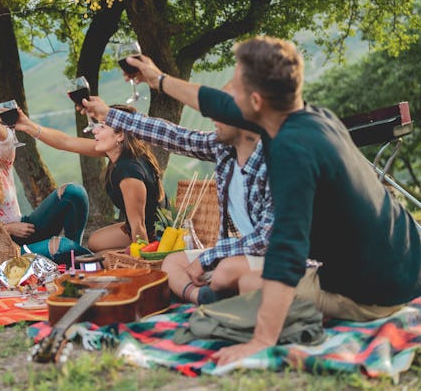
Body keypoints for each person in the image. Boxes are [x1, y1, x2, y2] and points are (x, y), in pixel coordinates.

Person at [114, 36, 421, 365]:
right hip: (409, 263)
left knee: (249, 288)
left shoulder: (291, 152)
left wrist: (261, 340)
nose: (227, 94)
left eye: (235, 86)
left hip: (375, 293)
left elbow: (285, 254)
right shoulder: (315, 117)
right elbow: (218, 105)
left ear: (256, 101)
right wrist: (157, 79)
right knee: (244, 284)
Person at [84, 86, 273, 305]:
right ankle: (202, 297)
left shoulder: (273, 159)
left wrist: (210, 257)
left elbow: (265, 239)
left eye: (221, 112)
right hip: (237, 252)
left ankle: (216, 295)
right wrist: (108, 113)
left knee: (225, 271)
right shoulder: (223, 148)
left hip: (274, 255)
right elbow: (173, 136)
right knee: (172, 262)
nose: (212, 118)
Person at [0, 98, 90, 262]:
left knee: (73, 192)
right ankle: (83, 258)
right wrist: (7, 229)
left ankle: (76, 259)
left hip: (25, 229)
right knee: (61, 246)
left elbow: (7, 139)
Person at [14, 105, 165, 253]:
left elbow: (139, 226)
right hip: (139, 226)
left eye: (102, 127)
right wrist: (28, 126)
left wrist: (144, 263)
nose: (94, 130)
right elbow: (65, 142)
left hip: (153, 235)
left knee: (102, 258)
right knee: (94, 242)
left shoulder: (129, 173)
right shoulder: (119, 152)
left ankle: (65, 252)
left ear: (120, 135)